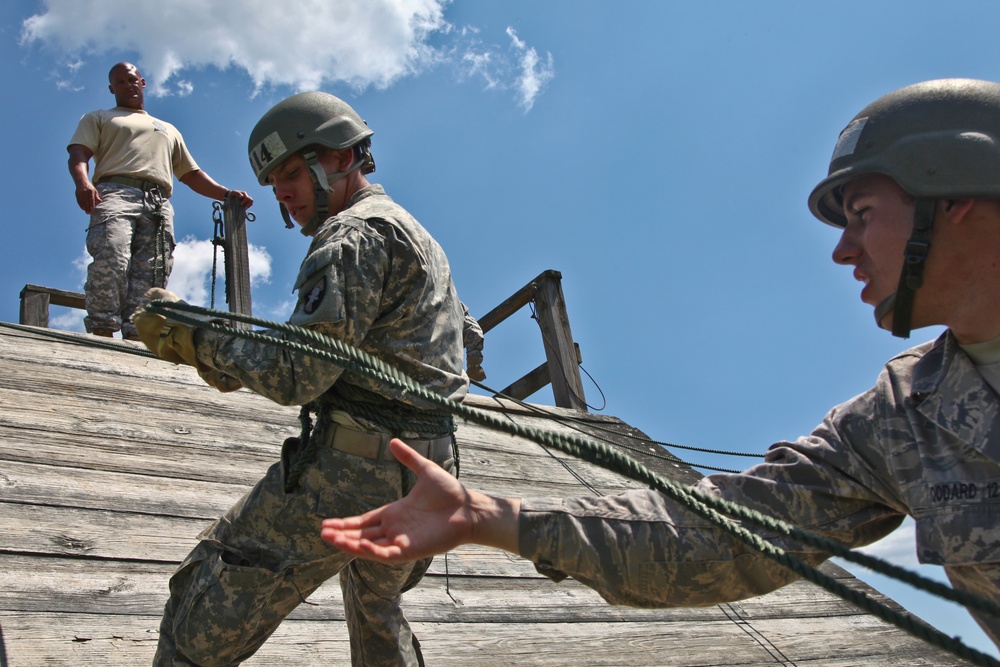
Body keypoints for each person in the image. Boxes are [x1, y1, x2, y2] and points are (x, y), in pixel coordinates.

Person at [320, 78, 1000, 649]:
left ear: (954, 191)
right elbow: (722, 534)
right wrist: (488, 516)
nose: (842, 249)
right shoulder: (901, 418)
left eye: (862, 213)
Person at [134, 91, 470, 666]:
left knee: (202, 611)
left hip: (353, 471)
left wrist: (192, 336)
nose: (282, 194)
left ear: (341, 158)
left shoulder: (350, 239)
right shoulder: (416, 236)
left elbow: (298, 372)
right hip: (430, 472)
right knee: (377, 614)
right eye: (272, 184)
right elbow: (469, 338)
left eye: (290, 172)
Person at [67, 62, 253, 340]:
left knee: (152, 271)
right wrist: (82, 182)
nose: (127, 85)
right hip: (116, 192)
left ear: (142, 83)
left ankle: (137, 336)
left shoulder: (168, 129)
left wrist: (226, 194)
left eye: (132, 79)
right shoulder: (100, 117)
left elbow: (191, 174)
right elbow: (79, 154)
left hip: (158, 203)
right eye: (120, 82)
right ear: (111, 89)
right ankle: (103, 330)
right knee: (112, 256)